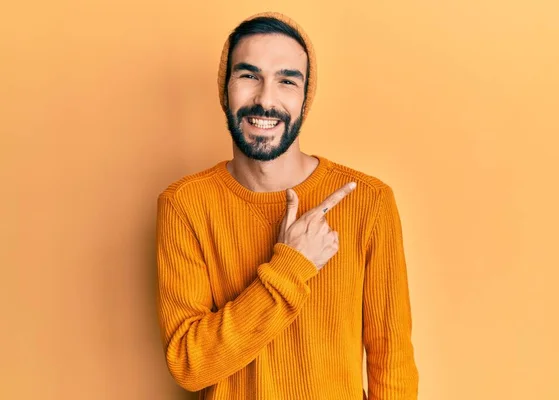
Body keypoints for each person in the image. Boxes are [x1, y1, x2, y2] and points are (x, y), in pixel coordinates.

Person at [156, 11, 419, 400]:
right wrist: (290, 267)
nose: (265, 99)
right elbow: (190, 365)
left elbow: (391, 361)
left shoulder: (369, 201)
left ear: (304, 97)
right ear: (224, 89)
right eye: (248, 76)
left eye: (286, 81)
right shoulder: (185, 205)